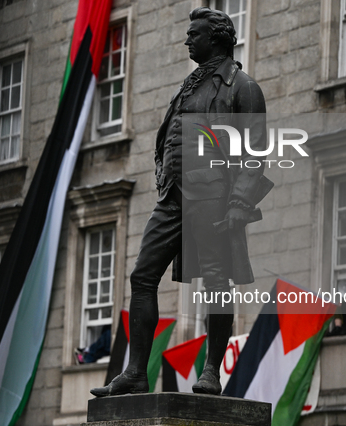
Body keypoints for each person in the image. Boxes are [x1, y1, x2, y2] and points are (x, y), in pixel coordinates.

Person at [90, 7, 267, 397]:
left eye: (195, 33)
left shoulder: (242, 86)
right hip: (172, 196)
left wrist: (238, 203)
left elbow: (255, 152)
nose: (188, 39)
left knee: (217, 284)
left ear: (216, 38)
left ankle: (211, 372)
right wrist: (161, 172)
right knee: (142, 276)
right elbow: (165, 138)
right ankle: (136, 372)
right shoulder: (188, 86)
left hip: (213, 198)